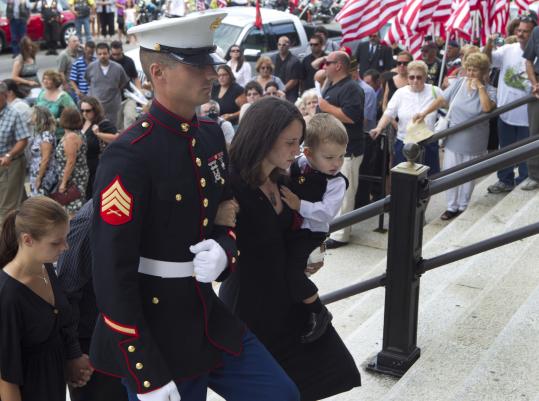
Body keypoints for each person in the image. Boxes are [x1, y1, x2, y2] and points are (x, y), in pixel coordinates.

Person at [91, 13, 300, 401]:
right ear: (158, 72)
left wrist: (225, 248)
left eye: (211, 63)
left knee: (280, 394)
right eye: (197, 65)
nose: (210, 74)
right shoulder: (128, 156)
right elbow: (109, 271)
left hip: (205, 314)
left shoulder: (209, 136)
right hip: (154, 327)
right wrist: (145, 372)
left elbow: (227, 211)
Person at [220, 96, 361, 400]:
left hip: (286, 300)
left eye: (299, 142)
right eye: (291, 142)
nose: (298, 150)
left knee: (332, 372)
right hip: (250, 305)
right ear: (263, 138)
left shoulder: (285, 176)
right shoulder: (232, 185)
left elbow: (304, 223)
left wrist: (311, 252)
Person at [0, 196, 92, 401]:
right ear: (27, 239)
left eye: (65, 238)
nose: (66, 247)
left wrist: (72, 358)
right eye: (56, 242)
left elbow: (61, 323)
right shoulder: (8, 296)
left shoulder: (46, 266)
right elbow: (7, 379)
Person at [281, 113, 348, 344]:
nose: (337, 164)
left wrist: (299, 205)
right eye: (329, 157)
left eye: (341, 156)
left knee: (293, 273)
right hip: (292, 228)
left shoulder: (336, 182)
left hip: (311, 233)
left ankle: (318, 311)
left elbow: (327, 212)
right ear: (308, 153)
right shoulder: (298, 166)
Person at [56, 200, 129, 401]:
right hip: (92, 350)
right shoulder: (92, 221)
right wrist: (73, 354)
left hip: (126, 342)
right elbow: (67, 292)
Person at [414, 53, 496, 220]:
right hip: (454, 138)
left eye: (475, 71)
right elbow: (441, 100)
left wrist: (480, 86)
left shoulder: (491, 90)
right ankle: (451, 206)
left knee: (468, 175)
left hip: (475, 141)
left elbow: (487, 108)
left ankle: (463, 206)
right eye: (469, 70)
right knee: (451, 173)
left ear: (484, 71)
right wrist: (424, 113)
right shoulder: (459, 83)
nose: (470, 74)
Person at [318, 51, 365, 249]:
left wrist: (326, 107)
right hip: (330, 150)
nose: (324, 66)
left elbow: (352, 116)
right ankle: (332, 228)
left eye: (327, 63)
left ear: (338, 65)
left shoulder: (351, 88)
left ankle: (341, 234)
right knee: (331, 193)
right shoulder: (331, 85)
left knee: (345, 192)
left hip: (348, 151)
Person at [485, 14, 536, 194]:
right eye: (519, 30)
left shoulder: (536, 54)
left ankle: (523, 181)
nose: (521, 34)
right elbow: (489, 61)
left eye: (526, 31)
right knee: (504, 151)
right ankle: (505, 180)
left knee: (525, 154)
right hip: (505, 114)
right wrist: (489, 44)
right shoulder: (508, 49)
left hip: (527, 117)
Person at [370, 60, 442, 175]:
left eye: (419, 77)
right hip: (405, 143)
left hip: (428, 144)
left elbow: (447, 111)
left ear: (425, 77)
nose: (415, 81)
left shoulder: (435, 91)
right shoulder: (400, 93)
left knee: (429, 182)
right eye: (411, 77)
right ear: (408, 77)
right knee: (404, 181)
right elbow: (389, 113)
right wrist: (379, 128)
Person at [0, 82, 30, 225]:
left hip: (10, 163)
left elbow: (23, 140)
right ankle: (28, 226)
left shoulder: (14, 114)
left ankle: (4, 240)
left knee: (7, 206)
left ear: (5, 96)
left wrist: (9, 155)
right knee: (18, 199)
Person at [79, 95, 117, 198]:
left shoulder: (103, 124)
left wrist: (99, 134)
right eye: (82, 110)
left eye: (88, 111)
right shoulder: (81, 122)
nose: (84, 114)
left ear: (95, 110)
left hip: (97, 167)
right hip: (83, 169)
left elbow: (117, 138)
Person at [54, 107, 89, 216]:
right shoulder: (77, 133)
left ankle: (73, 231)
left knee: (72, 210)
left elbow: (71, 161)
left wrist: (63, 183)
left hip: (73, 178)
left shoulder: (71, 137)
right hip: (75, 175)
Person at [85, 42, 129, 125]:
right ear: (96, 55)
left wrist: (113, 90)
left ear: (109, 54)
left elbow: (123, 82)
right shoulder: (91, 67)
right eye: (100, 54)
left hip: (113, 108)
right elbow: (88, 80)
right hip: (95, 107)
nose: (102, 56)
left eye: (105, 53)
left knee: (113, 131)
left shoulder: (118, 68)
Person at [35, 69, 77, 141]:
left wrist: (57, 121)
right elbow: (35, 109)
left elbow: (74, 113)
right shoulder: (41, 93)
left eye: (48, 79)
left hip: (58, 136)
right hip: (41, 134)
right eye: (44, 78)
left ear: (55, 81)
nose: (45, 81)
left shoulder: (63, 96)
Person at [110, 40, 142, 129]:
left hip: (129, 96)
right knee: (118, 124)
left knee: (130, 117)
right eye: (114, 54)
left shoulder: (129, 61)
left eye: (118, 54)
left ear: (122, 51)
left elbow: (135, 77)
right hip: (113, 99)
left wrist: (139, 92)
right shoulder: (108, 61)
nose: (115, 57)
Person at [523, 16, 539, 190]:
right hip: (537, 90)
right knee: (535, 132)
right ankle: (535, 175)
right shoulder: (536, 32)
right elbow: (528, 60)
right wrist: (534, 83)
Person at [28, 106, 58, 196]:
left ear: (39, 117)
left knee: (40, 203)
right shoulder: (40, 133)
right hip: (37, 172)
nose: (31, 117)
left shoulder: (46, 135)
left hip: (44, 175)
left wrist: (39, 178)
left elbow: (45, 159)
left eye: (33, 114)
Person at [272, 36, 302, 102]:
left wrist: (282, 90)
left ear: (289, 46)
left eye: (284, 45)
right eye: (279, 44)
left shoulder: (295, 61)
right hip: (274, 92)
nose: (281, 47)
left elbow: (294, 80)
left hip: (290, 93)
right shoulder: (273, 58)